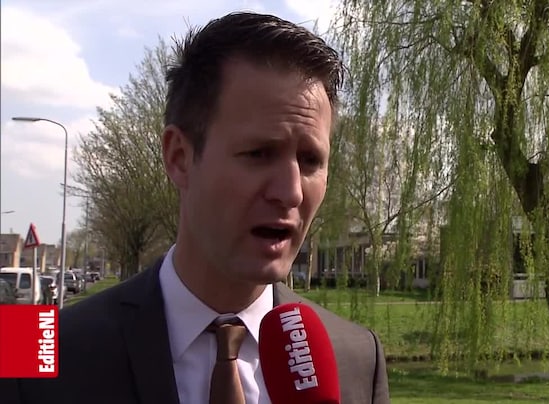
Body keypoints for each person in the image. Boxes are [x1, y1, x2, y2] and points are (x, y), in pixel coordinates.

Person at [1, 12, 390, 404]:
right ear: (179, 157)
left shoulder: (358, 359)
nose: (290, 192)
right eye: (258, 153)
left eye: (310, 161)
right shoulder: (28, 349)